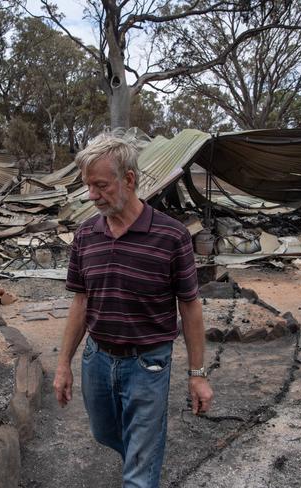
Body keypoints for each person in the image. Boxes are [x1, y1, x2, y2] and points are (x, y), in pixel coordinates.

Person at [53, 131, 213, 488]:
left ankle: (142, 468)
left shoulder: (171, 237)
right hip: (97, 359)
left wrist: (197, 374)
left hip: (148, 364)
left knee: (139, 472)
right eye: (88, 186)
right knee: (106, 434)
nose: (92, 196)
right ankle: (143, 458)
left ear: (129, 179)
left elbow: (190, 307)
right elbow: (80, 301)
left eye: (100, 185)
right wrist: (63, 364)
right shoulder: (85, 235)